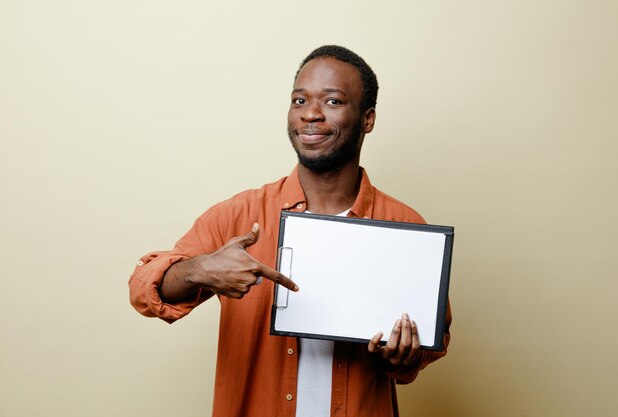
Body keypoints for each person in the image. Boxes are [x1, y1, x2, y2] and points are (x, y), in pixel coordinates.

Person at [129, 45, 451, 417]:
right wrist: (201, 269)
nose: (311, 114)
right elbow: (143, 287)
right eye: (299, 100)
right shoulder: (240, 217)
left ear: (368, 118)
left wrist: (401, 357)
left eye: (332, 101)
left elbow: (429, 343)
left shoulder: (406, 228)